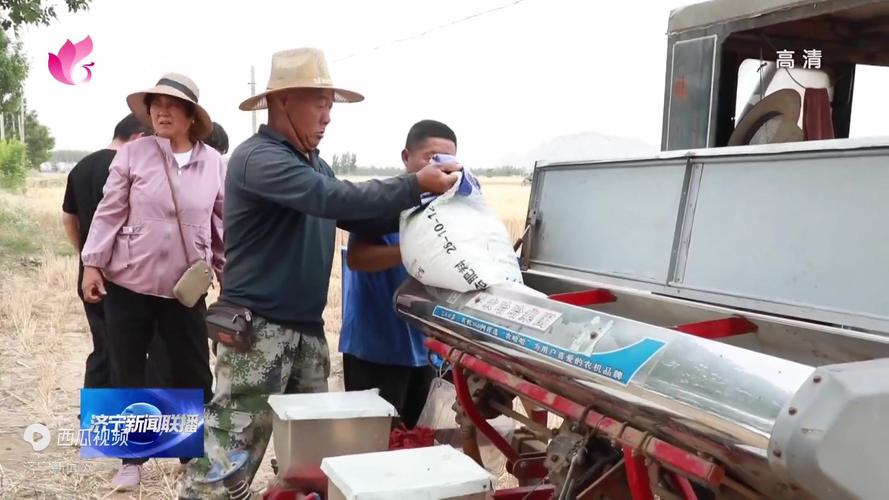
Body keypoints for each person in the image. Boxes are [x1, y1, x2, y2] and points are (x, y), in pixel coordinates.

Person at [180, 47, 460, 499]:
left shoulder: (316, 164)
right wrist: (413, 184)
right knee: (226, 460)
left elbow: (361, 217)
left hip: (308, 336)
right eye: (319, 102)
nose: (328, 115)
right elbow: (329, 198)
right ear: (283, 100)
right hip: (258, 333)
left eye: (331, 104)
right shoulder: (259, 159)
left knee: (311, 462)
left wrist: (432, 213)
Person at [80, 73, 225, 491]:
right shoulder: (133, 155)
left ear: (191, 116)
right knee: (127, 368)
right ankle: (130, 460)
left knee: (194, 371)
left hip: (184, 289)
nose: (161, 111)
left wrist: (225, 274)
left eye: (172, 105)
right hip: (128, 282)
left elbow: (220, 225)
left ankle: (189, 452)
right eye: (155, 104)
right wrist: (93, 263)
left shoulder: (213, 163)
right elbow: (109, 211)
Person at [339, 119, 458, 429]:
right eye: (432, 158)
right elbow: (357, 258)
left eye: (449, 160)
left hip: (427, 353)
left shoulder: (451, 212)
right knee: (372, 446)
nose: (441, 167)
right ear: (407, 158)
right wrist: (413, 251)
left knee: (416, 445)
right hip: (376, 349)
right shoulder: (384, 201)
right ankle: (191, 447)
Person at [62, 114, 150, 389]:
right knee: (130, 355)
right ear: (140, 137)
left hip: (89, 275)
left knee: (103, 348)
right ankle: (132, 424)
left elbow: (69, 218)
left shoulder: (82, 167)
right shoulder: (132, 168)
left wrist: (86, 255)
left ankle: (96, 424)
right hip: (126, 275)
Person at [146, 120, 229, 388]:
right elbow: (221, 231)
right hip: (184, 292)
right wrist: (224, 276)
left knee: (156, 365)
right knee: (189, 367)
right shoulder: (198, 179)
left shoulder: (148, 172)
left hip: (147, 290)